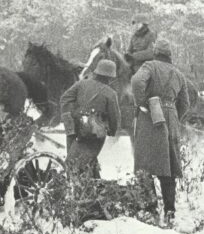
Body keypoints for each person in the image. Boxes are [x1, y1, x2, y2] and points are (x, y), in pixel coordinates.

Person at [131, 39, 190, 223]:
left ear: (155, 52)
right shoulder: (178, 74)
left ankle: (150, 211)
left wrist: (143, 103)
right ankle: (170, 211)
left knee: (145, 164)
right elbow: (186, 103)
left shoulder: (149, 66)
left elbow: (136, 81)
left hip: (150, 118)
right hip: (171, 118)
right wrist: (173, 116)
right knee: (169, 167)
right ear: (169, 55)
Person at [60, 59, 121, 178]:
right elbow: (114, 118)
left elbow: (64, 99)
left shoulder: (81, 83)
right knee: (80, 165)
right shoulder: (110, 93)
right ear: (110, 77)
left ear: (96, 72)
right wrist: (112, 131)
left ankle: (90, 187)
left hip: (75, 129)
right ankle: (86, 190)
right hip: (94, 133)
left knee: (79, 162)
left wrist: (71, 118)